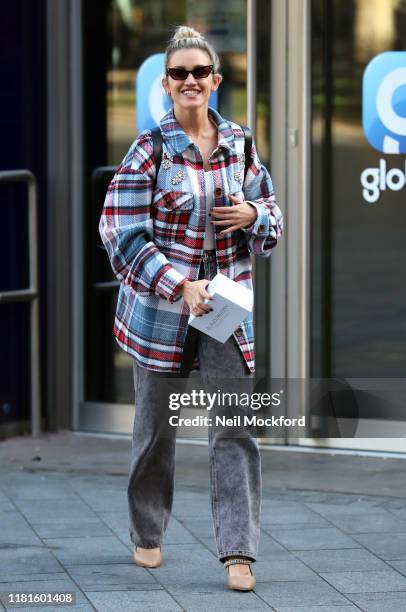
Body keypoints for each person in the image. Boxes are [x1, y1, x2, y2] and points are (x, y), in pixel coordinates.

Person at [99, 25, 283, 592]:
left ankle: (238, 552)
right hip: (163, 313)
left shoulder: (241, 144)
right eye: (179, 73)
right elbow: (121, 233)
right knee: (157, 430)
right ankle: (148, 533)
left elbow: (273, 219)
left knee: (233, 429)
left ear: (215, 80)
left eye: (200, 72)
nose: (190, 81)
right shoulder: (148, 151)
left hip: (225, 313)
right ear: (166, 82)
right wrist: (179, 285)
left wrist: (254, 214)